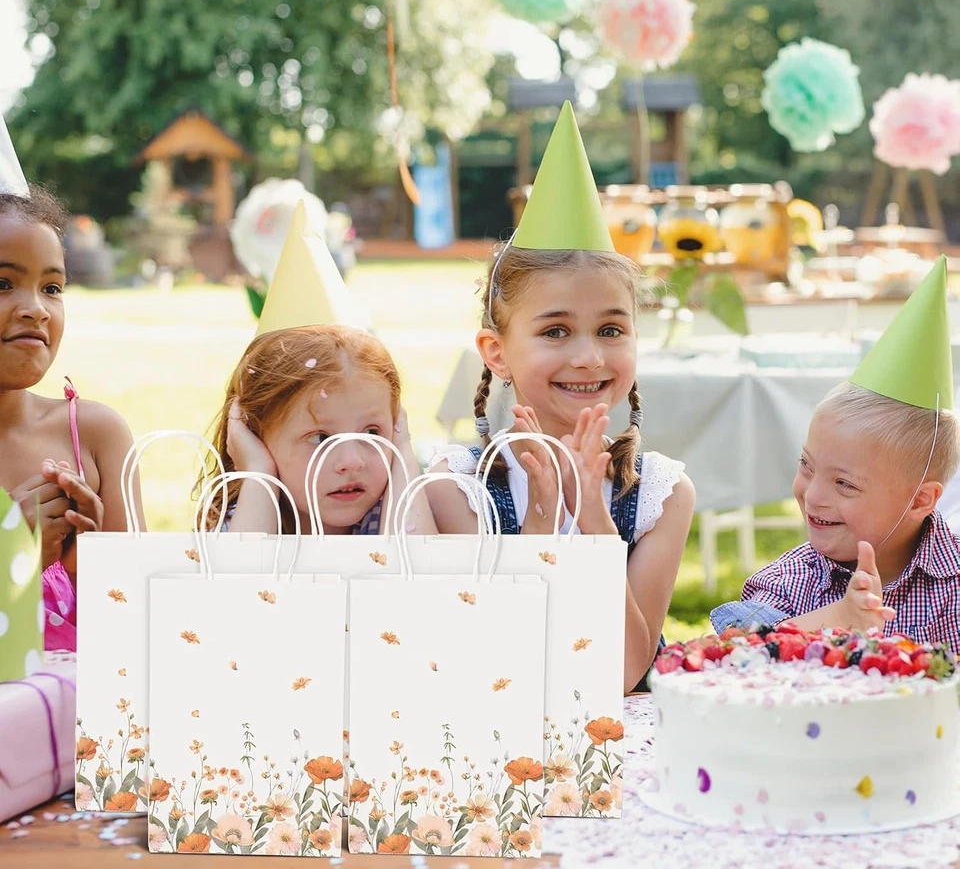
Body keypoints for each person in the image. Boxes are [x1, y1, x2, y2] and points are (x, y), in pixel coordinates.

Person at [426, 102, 695, 692]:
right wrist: (543, 519)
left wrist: (595, 519)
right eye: (555, 332)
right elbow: (498, 661)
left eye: (611, 329)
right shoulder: (457, 489)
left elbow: (623, 672)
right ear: (496, 352)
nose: (589, 357)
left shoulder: (659, 496)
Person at [712, 256, 960, 652]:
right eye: (806, 466)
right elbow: (731, 656)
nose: (812, 496)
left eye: (844, 483)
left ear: (920, 500)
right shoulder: (788, 583)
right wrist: (838, 618)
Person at [0, 182, 138, 650]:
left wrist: (86, 564)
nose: (36, 309)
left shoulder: (96, 437)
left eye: (52, 288)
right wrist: (16, 562)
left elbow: (140, 632)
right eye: (3, 283)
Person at [203, 323, 435, 536]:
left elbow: (417, 566)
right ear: (254, 438)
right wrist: (258, 472)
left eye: (371, 433)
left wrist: (403, 452)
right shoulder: (245, 519)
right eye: (320, 438)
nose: (352, 461)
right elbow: (245, 569)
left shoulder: (396, 508)